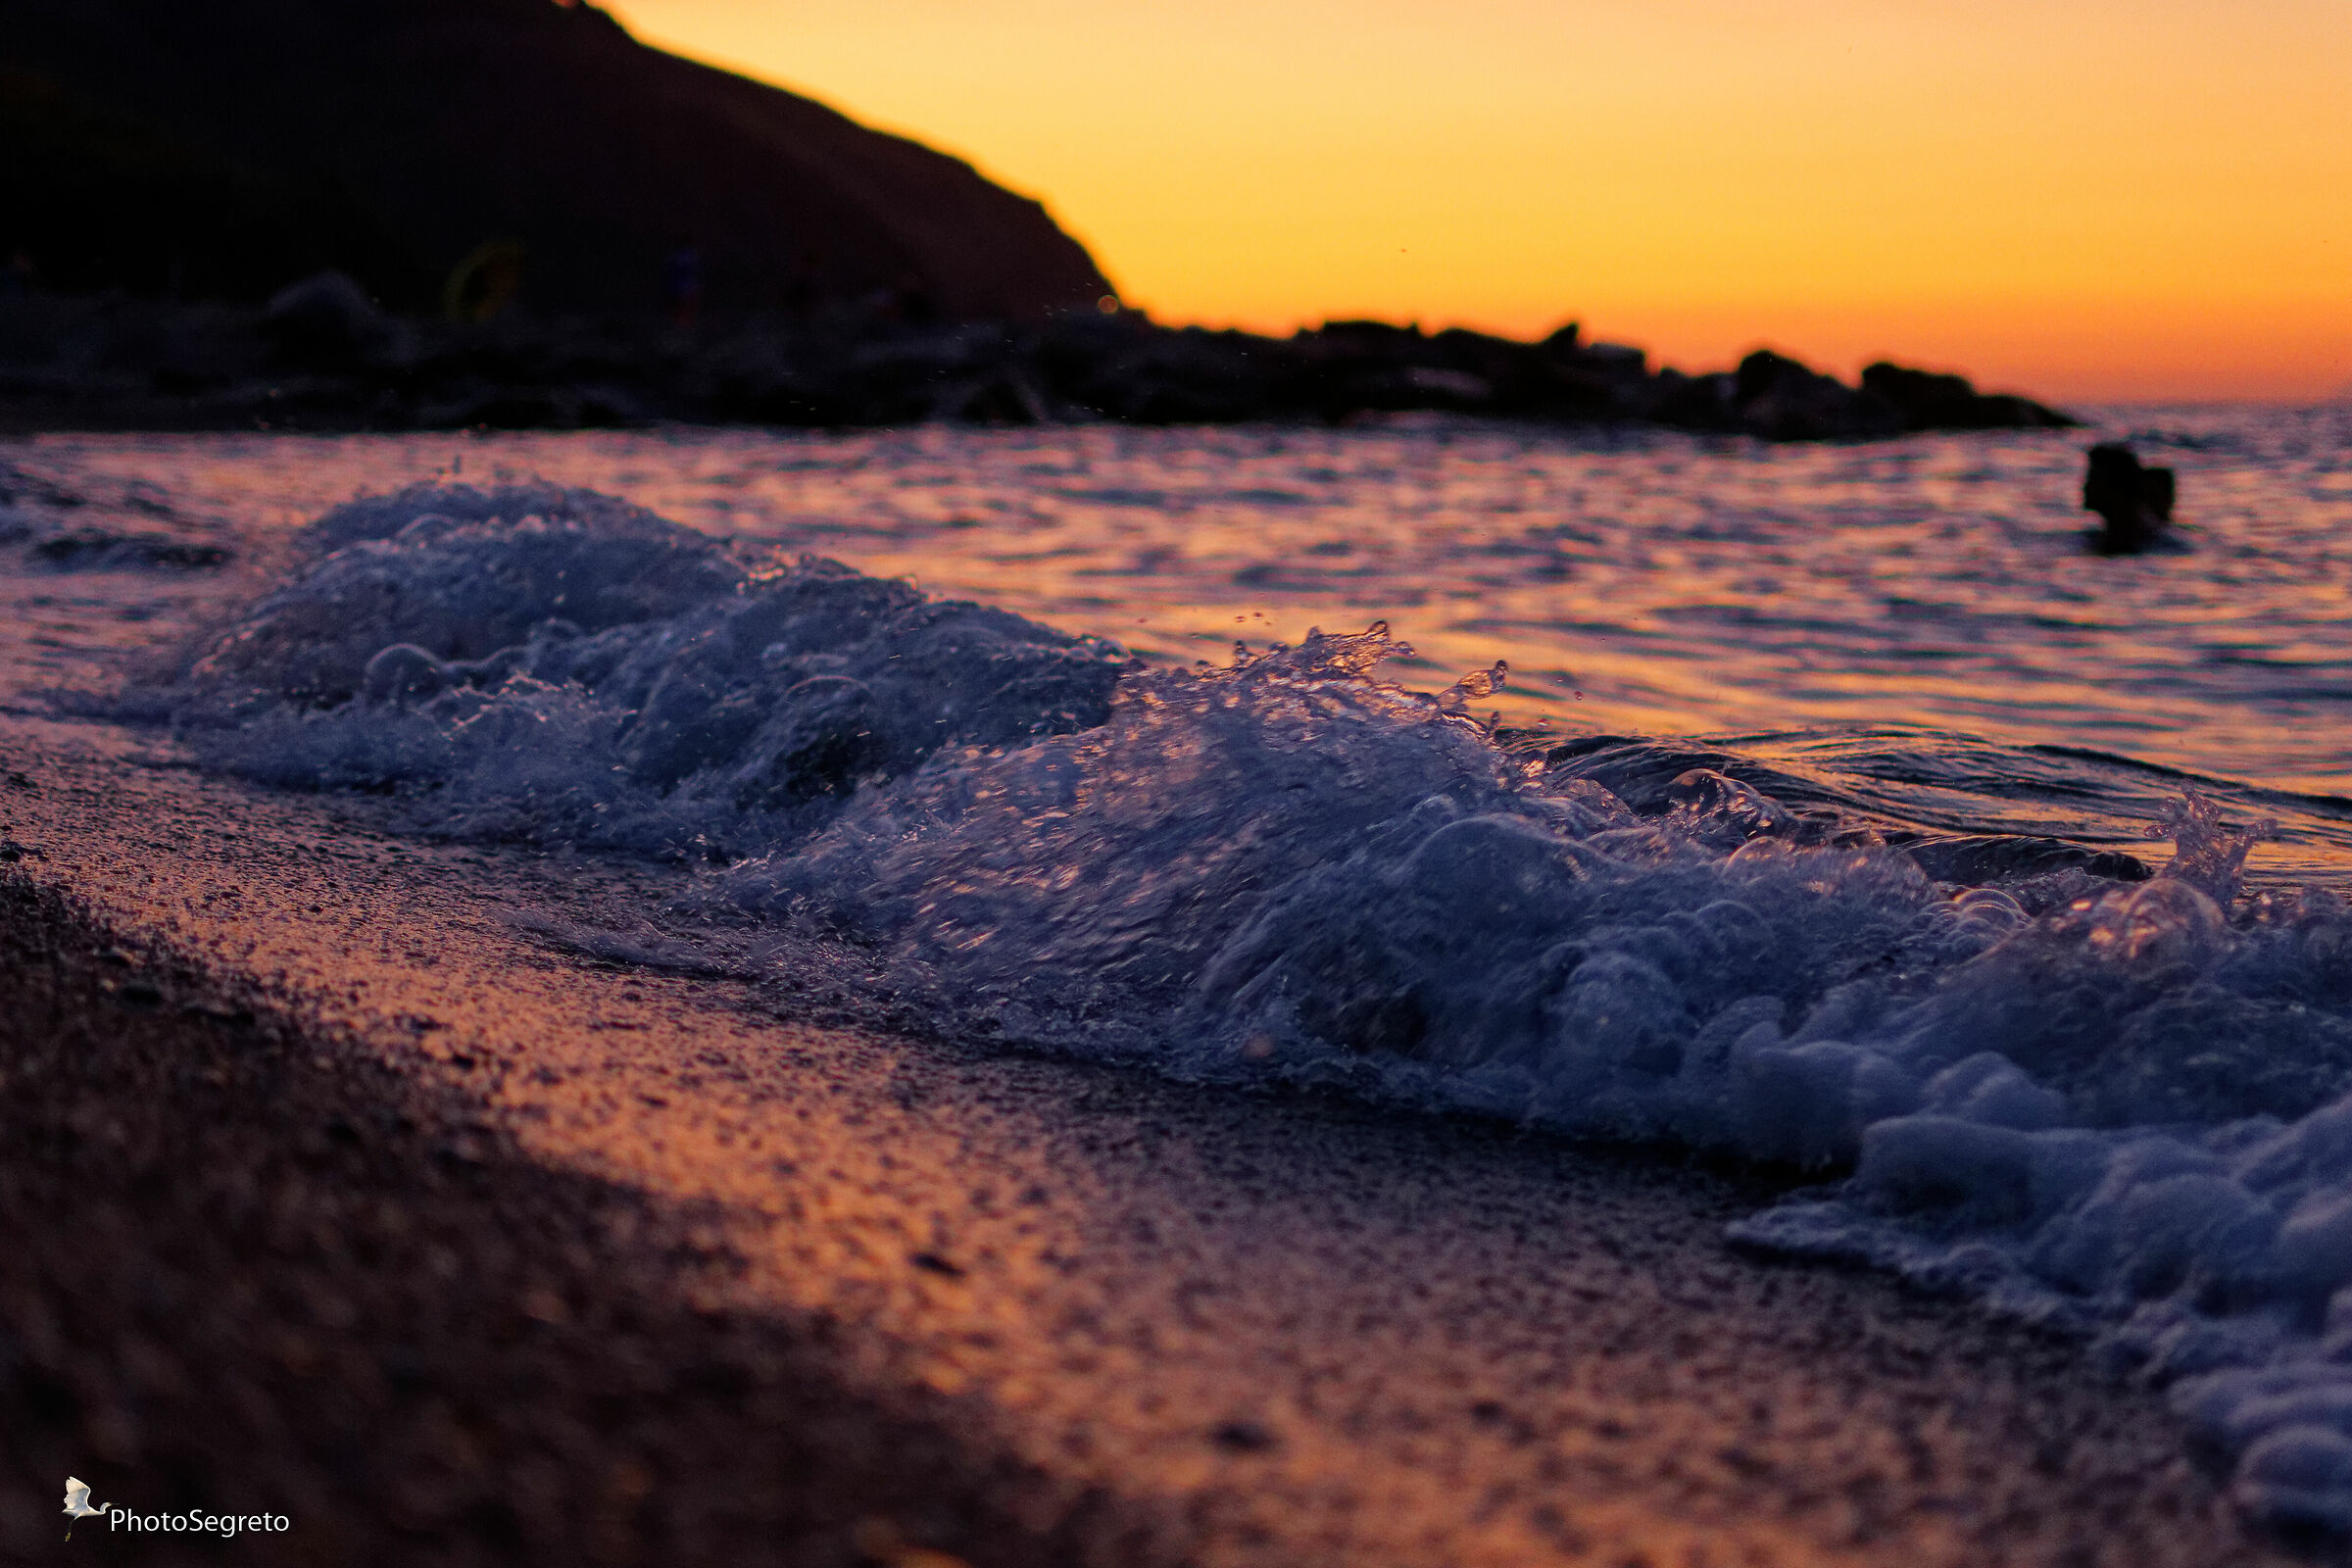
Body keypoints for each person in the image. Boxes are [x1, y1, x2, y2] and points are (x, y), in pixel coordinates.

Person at [2082, 442, 2176, 554]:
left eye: (2093, 479)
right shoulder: (2122, 532)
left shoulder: (2130, 537)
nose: (2085, 487)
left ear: (2114, 487)